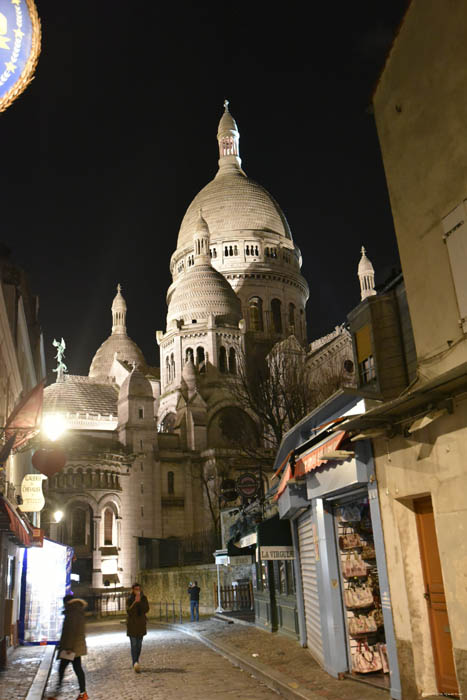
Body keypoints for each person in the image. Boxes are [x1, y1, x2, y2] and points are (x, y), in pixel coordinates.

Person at [48, 594, 89, 700]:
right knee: (77, 669)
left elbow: (70, 631)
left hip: (71, 648)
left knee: (63, 669)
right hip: (75, 647)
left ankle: (57, 694)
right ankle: (82, 693)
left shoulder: (72, 613)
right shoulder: (77, 610)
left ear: (67, 603)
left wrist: (69, 648)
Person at [126, 582, 149, 672]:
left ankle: (136, 661)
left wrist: (140, 602)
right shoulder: (129, 599)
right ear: (133, 590)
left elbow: (146, 609)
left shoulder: (144, 598)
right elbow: (129, 611)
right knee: (134, 645)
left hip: (140, 625)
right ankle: (135, 662)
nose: (138, 591)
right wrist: (135, 602)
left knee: (139, 646)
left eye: (139, 589)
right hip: (132, 625)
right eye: (136, 589)